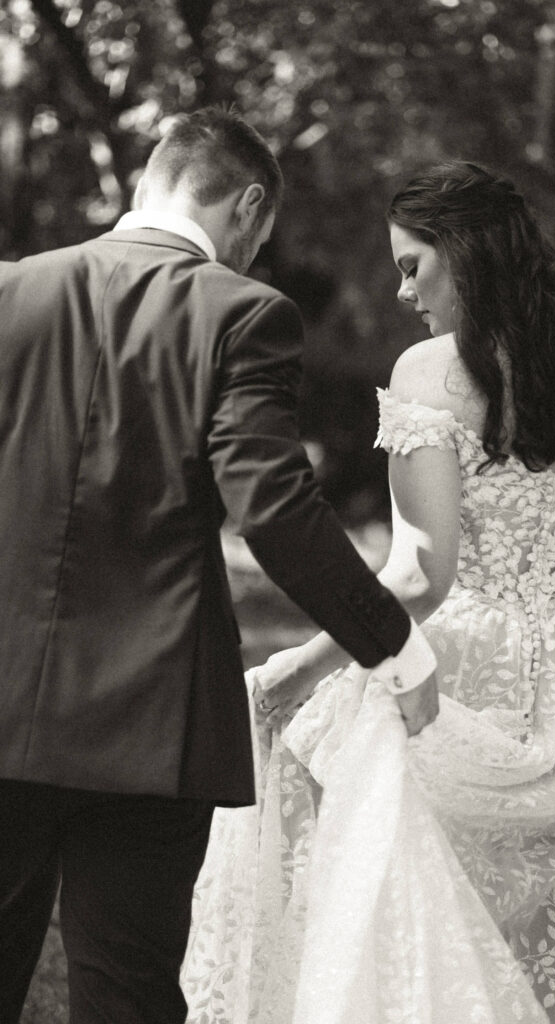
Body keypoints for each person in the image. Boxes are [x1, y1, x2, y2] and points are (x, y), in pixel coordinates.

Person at [182, 161, 555, 1023]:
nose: (403, 288)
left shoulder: (427, 376)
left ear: (468, 253)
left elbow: (420, 575)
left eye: (413, 263)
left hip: (465, 678)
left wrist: (297, 668)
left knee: (347, 822)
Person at [0, 107, 440, 1024]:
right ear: (246, 206)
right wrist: (393, 647)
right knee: (125, 994)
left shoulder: (12, 291)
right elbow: (273, 512)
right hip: (151, 719)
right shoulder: (242, 312)